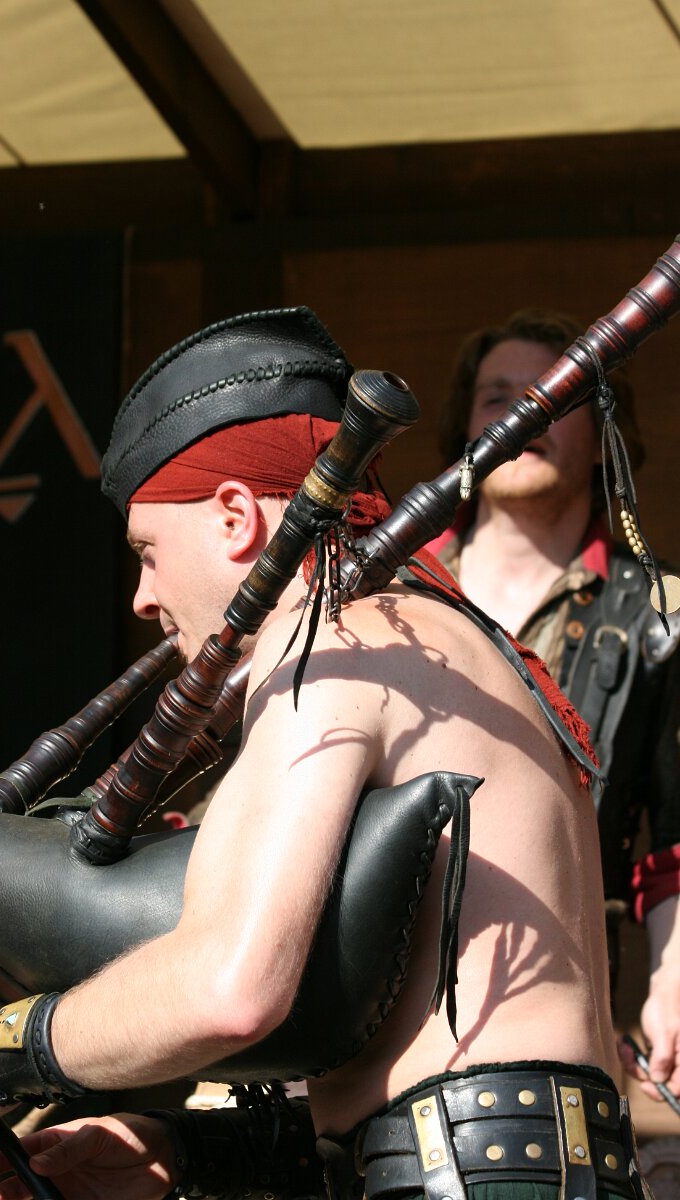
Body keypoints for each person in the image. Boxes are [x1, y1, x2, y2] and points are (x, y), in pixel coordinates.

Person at [0, 307, 652, 1199]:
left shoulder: (337, 640)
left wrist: (1, 1054)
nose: (143, 596)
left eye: (148, 551)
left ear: (234, 517)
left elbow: (230, 988)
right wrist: (185, 1151)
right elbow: (436, 1063)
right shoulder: (427, 638)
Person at [430, 308, 680, 1107]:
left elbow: (675, 842)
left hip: (557, 1017)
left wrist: (673, 979)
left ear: (604, 435)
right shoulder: (387, 593)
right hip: (377, 997)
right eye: (496, 397)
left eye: (552, 396)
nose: (522, 414)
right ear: (465, 431)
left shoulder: (663, 609)